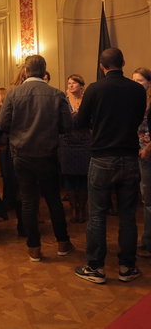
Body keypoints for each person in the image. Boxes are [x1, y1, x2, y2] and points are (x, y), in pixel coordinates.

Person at [75, 48, 146, 284]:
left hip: (102, 158)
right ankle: (127, 267)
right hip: (129, 157)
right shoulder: (137, 90)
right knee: (127, 216)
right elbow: (137, 119)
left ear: (102, 66)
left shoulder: (95, 89)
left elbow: (80, 122)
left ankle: (95, 268)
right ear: (123, 63)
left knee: (97, 215)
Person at [0, 55, 74, 262]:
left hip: (21, 155)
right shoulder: (56, 94)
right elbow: (67, 126)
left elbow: (3, 123)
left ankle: (34, 248)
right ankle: (63, 243)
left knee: (28, 201)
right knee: (53, 200)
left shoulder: (14, 94)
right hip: (48, 155)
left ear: (25, 71)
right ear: (44, 70)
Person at [58, 74, 91, 223]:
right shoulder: (63, 100)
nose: (71, 85)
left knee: (83, 176)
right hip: (67, 141)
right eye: (69, 83)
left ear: (81, 86)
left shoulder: (88, 100)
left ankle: (82, 209)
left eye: (74, 83)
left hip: (85, 140)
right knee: (69, 176)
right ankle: (73, 209)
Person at [0, 87, 23, 236]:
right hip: (1, 145)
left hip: (6, 146)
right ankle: (7, 201)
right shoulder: (0, 109)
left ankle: (9, 202)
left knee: (9, 175)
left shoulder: (6, 109)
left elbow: (4, 125)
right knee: (5, 175)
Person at [133, 68, 151, 258]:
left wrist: (147, 148)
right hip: (139, 152)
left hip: (148, 154)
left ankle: (148, 243)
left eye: (139, 81)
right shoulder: (137, 100)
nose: (136, 84)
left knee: (149, 199)